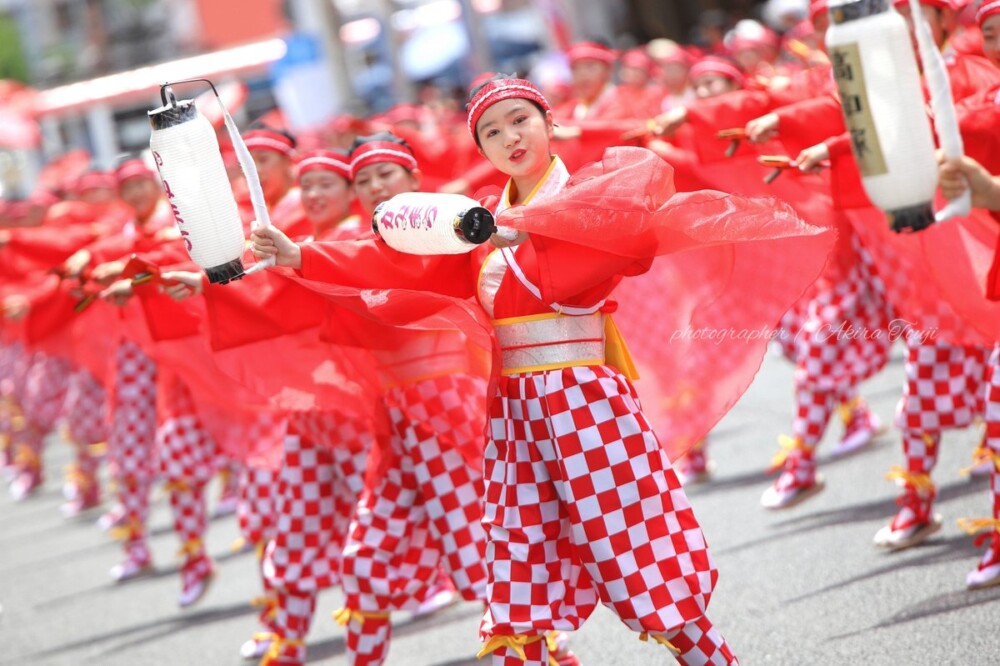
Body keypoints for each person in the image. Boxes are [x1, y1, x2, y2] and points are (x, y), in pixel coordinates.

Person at [250, 75, 831, 665]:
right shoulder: (475, 224)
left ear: (550, 124)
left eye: (520, 120)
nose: (510, 137)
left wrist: (525, 230)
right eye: (492, 132)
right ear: (481, 151)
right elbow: (400, 263)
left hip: (582, 400)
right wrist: (301, 254)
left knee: (629, 547)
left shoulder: (588, 196)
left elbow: (627, 225)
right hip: (515, 408)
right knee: (515, 556)